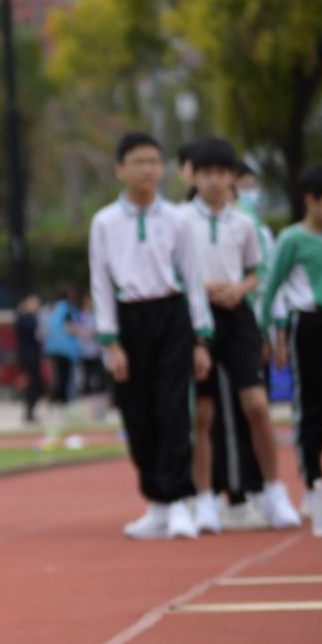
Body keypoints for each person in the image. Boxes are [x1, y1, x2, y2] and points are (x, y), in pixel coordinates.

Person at [90, 132, 214, 541]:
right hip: (129, 319)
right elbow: (100, 282)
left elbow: (192, 278)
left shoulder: (177, 219)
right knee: (137, 412)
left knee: (173, 408)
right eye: (139, 162)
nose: (148, 170)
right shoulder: (105, 222)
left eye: (154, 162)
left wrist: (200, 338)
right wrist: (110, 342)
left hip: (171, 314)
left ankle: (178, 501)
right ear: (120, 169)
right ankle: (157, 501)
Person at [183, 138, 298, 532]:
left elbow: (257, 271)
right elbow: (175, 272)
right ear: (194, 177)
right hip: (198, 315)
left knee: (257, 405)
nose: (215, 181)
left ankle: (274, 489)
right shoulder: (182, 221)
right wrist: (205, 287)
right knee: (203, 413)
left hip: (237, 316)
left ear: (232, 177)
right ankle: (205, 498)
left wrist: (240, 289)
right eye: (207, 173)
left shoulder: (244, 223)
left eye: (222, 173)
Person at [259, 164, 322, 536]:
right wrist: (267, 332)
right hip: (309, 325)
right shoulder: (292, 240)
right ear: (311, 201)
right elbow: (270, 287)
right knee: (314, 407)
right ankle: (314, 486)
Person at [42, 285, 84, 411]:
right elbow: (69, 328)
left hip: (53, 347)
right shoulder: (67, 309)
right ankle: (62, 401)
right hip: (65, 348)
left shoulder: (54, 308)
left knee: (57, 375)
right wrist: (81, 331)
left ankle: (55, 400)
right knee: (64, 377)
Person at [14, 293, 44, 424]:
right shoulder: (24, 318)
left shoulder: (34, 317)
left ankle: (31, 411)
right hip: (27, 355)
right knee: (33, 383)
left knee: (37, 384)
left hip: (34, 354)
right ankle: (29, 412)